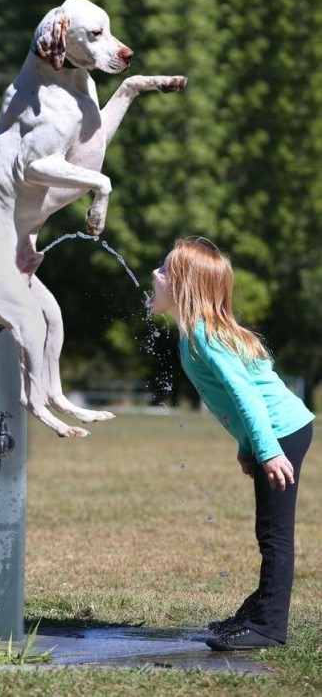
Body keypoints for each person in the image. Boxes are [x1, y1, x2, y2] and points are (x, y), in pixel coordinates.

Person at [148, 237, 314, 652]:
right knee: (268, 531)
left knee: (275, 533)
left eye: (166, 271)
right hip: (274, 434)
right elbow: (245, 393)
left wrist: (269, 449)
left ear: (185, 286)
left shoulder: (204, 334)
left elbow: (247, 395)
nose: (155, 275)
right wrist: (248, 446)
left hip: (281, 434)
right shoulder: (196, 333)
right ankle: (256, 612)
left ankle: (269, 627)